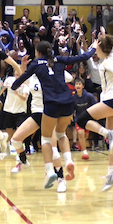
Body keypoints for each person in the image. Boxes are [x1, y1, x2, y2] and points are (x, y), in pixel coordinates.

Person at [12, 35, 99, 189]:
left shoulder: (38, 66)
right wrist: (93, 48)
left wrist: (11, 87)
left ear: (38, 53)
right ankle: (24, 161)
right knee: (17, 139)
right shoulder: (41, 68)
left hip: (49, 109)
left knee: (51, 145)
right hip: (44, 111)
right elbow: (24, 77)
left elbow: (21, 79)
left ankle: (58, 178)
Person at [75, 27, 113, 191]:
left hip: (111, 101)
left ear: (101, 47)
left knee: (81, 120)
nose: (94, 50)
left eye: (96, 47)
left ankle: (105, 133)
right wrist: (102, 34)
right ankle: (111, 174)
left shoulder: (108, 62)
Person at [73, 78, 96, 159]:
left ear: (83, 86)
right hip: (78, 119)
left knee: (85, 136)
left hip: (87, 119)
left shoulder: (89, 96)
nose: (78, 85)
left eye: (79, 84)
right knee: (80, 134)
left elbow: (95, 107)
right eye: (76, 84)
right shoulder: (73, 98)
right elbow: (71, 109)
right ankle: (85, 152)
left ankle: (81, 144)